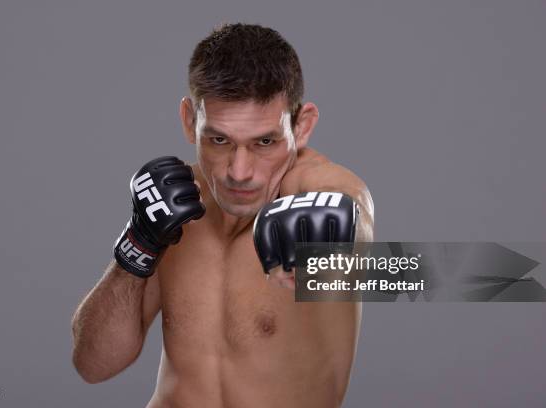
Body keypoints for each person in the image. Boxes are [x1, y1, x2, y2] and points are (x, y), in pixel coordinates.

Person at [71, 23, 374, 407]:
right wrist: (137, 245)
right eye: (219, 140)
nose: (239, 172)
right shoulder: (176, 205)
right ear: (188, 120)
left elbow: (352, 216)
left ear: (302, 126)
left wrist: (331, 235)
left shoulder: (318, 187)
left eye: (265, 141)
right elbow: (93, 366)